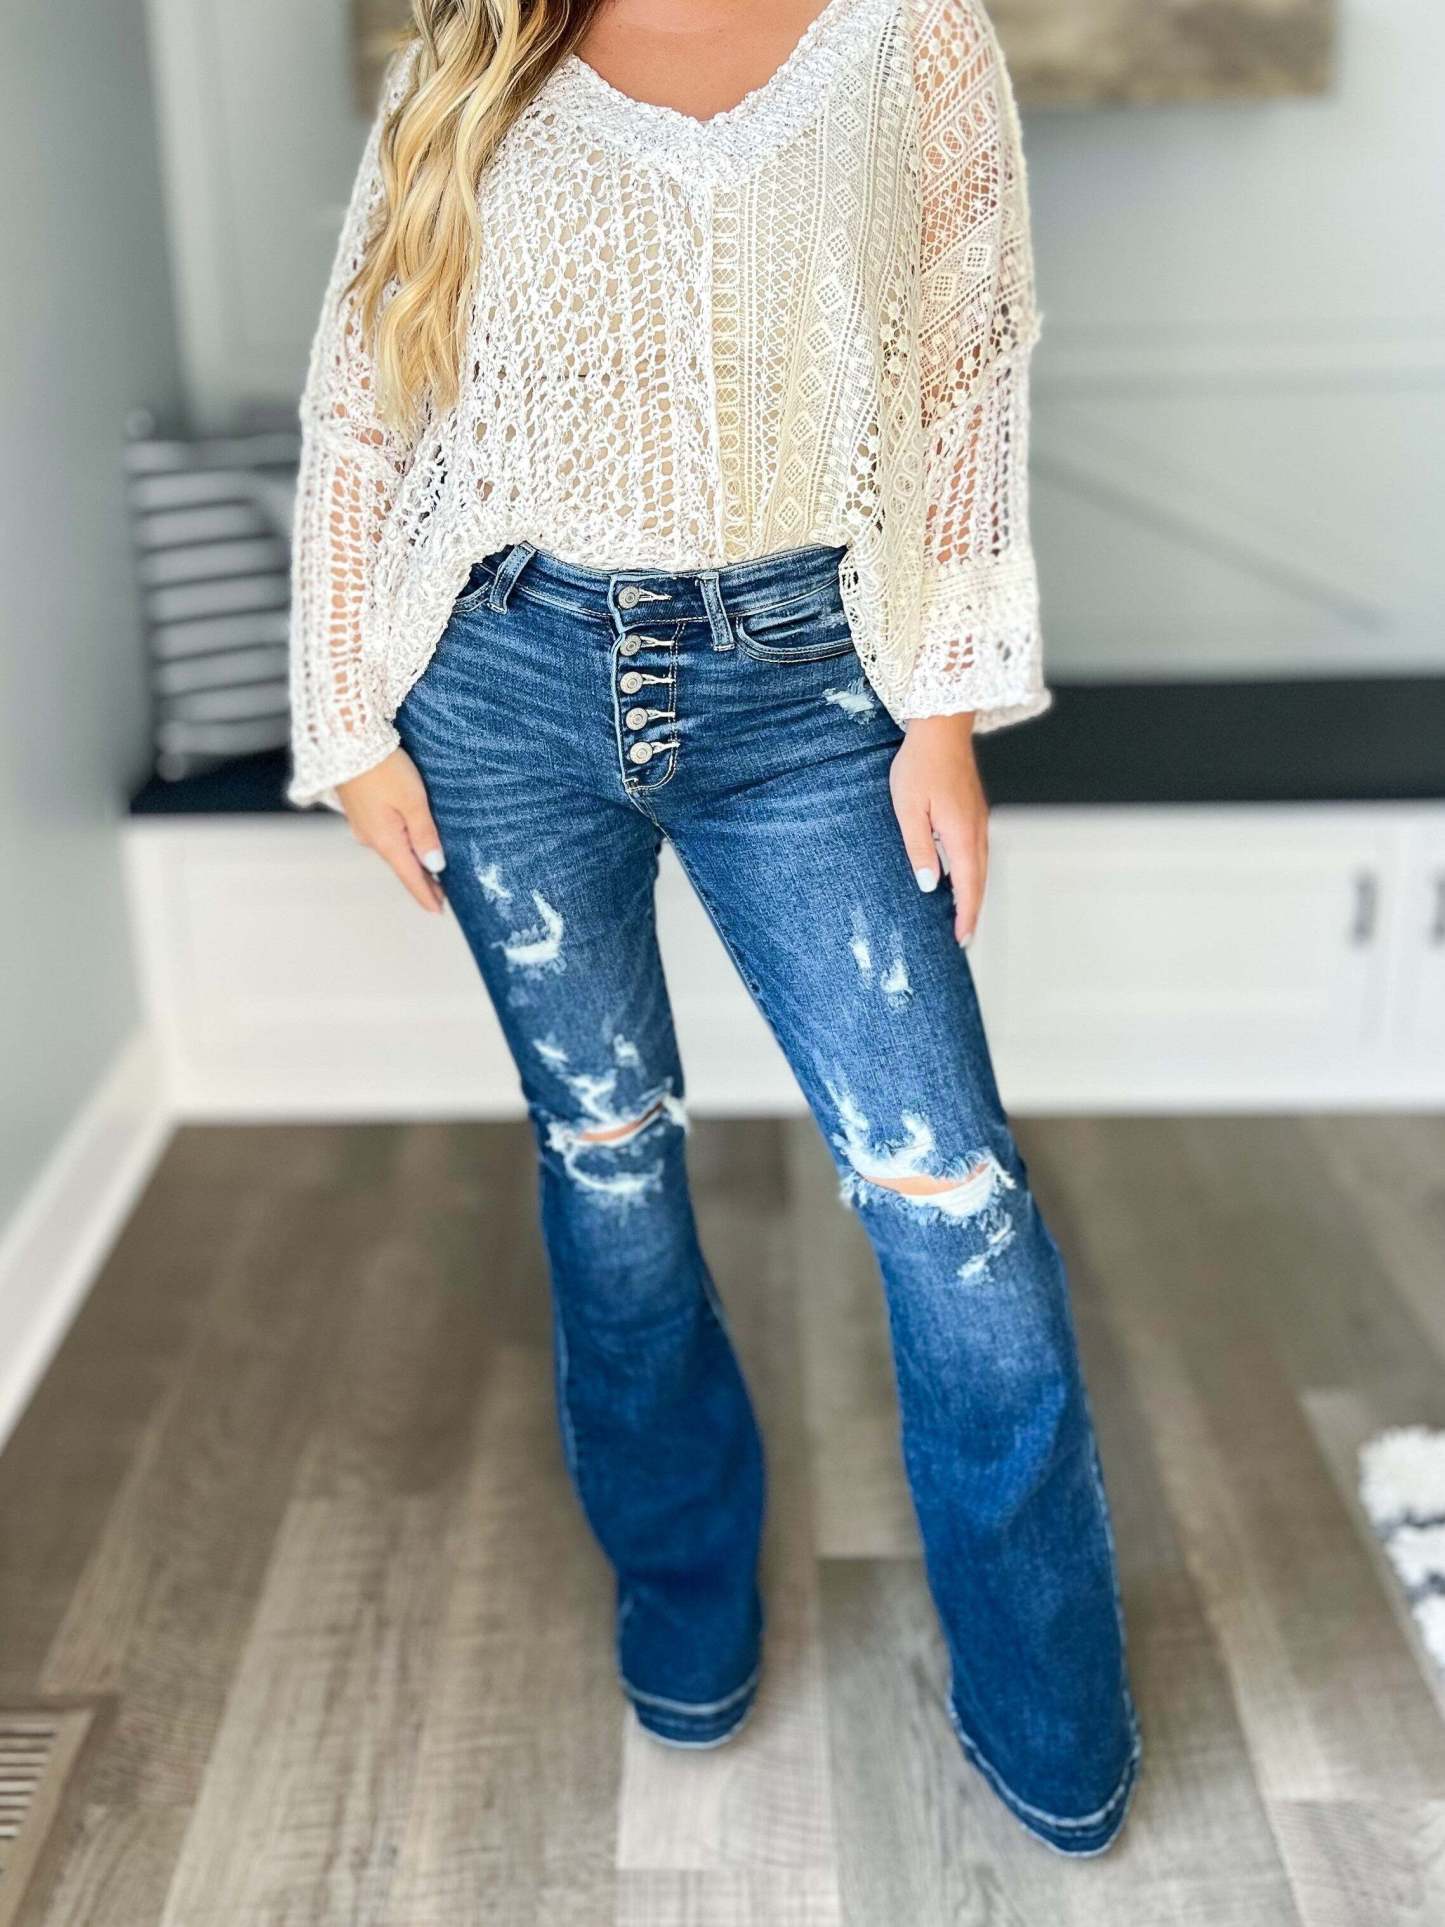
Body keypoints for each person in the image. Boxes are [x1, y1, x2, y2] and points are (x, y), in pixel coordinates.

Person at [286, 0, 1141, 1854]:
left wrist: (942, 706)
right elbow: (363, 397)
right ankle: (684, 1607)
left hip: (809, 687)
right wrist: (345, 719)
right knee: (606, 1159)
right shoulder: (478, 47)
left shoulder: (908, 38)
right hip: (498, 681)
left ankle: (1051, 1714)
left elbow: (965, 377)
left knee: (951, 1203)